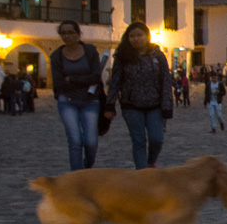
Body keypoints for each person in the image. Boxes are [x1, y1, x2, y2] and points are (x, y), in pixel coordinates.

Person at [106, 21, 172, 169]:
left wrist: (167, 105)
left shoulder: (158, 55)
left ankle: (151, 162)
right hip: (131, 105)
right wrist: (110, 104)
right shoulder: (123, 56)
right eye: (132, 36)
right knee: (139, 140)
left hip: (154, 105)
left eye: (139, 35)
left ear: (147, 36)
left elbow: (166, 81)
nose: (135, 39)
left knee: (157, 139)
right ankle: (142, 175)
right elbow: (115, 80)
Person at [49, 20, 104, 170]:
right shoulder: (57, 56)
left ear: (78, 34)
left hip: (90, 101)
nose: (67, 36)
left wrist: (72, 79)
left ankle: (86, 167)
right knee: (75, 140)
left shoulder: (90, 51)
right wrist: (82, 80)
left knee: (91, 142)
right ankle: (76, 177)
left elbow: (96, 77)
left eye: (70, 32)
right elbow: (59, 83)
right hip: (67, 101)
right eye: (63, 33)